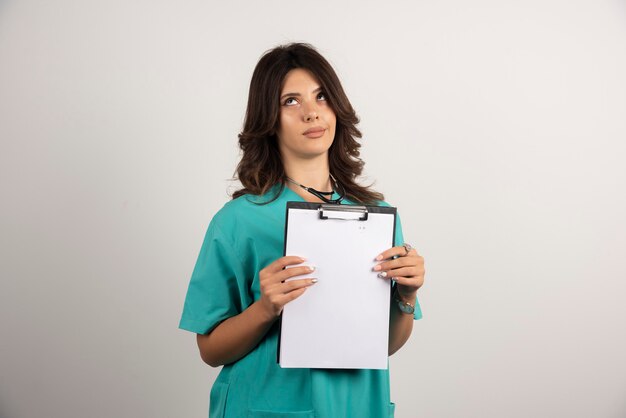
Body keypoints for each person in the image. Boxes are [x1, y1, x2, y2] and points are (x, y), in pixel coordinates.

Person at [179, 43, 425, 418]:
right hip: (264, 403)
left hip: (356, 406)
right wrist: (265, 307)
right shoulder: (238, 220)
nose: (311, 113)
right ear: (269, 119)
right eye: (290, 101)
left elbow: (384, 345)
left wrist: (406, 296)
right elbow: (210, 349)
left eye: (321, 96)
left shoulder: (376, 216)